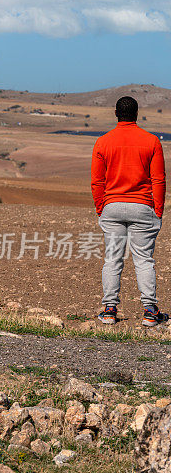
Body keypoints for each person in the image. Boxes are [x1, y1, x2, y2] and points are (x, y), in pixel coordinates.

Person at [92, 96, 166, 326]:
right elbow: (159, 179)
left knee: (112, 259)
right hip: (143, 207)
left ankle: (109, 310)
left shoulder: (103, 142)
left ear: (116, 114)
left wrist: (100, 208)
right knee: (144, 259)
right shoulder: (151, 141)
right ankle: (150, 312)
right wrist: (158, 210)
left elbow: (97, 181)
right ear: (136, 114)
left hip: (112, 207)